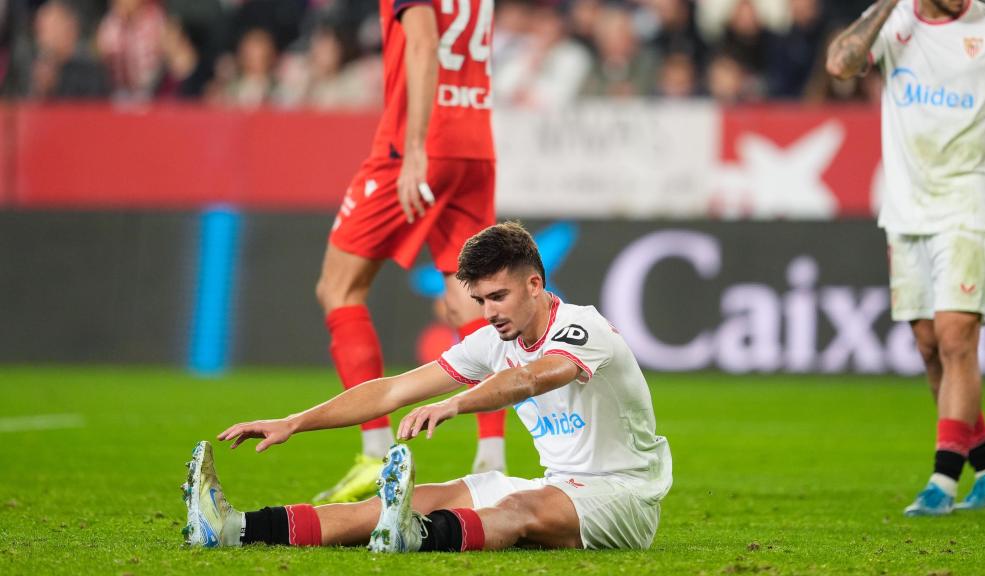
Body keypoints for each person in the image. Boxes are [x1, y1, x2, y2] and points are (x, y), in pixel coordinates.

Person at [181, 222, 673, 551]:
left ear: (535, 285)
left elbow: (530, 378)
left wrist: (456, 404)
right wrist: (294, 422)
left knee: (519, 508)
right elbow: (391, 391)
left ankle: (416, 539)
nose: (490, 312)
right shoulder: (491, 341)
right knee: (414, 497)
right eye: (480, 300)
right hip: (560, 484)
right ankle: (235, 527)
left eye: (499, 296)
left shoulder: (582, 328)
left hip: (623, 497)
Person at [827, 0, 985, 516]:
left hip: (971, 200)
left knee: (957, 335)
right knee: (929, 345)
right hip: (907, 206)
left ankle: (942, 480)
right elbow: (840, 65)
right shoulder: (891, 21)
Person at [310, 0, 504, 506]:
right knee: (470, 303)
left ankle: (376, 454)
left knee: (339, 287)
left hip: (418, 142)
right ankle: (492, 458)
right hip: (475, 142)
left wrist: (415, 146)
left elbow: (423, 41)